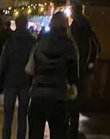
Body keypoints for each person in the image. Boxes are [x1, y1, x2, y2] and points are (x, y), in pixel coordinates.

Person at [28, 10, 79, 139]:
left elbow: (32, 67)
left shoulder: (41, 42)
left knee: (35, 133)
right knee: (58, 133)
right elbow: (73, 72)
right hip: (58, 97)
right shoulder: (69, 45)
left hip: (38, 95)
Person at [0, 16, 36, 139]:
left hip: (10, 80)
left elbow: (3, 62)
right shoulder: (32, 41)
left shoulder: (10, 40)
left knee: (8, 115)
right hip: (26, 81)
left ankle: (6, 137)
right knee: (22, 115)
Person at [67, 2, 100, 139]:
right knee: (75, 100)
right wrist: (90, 64)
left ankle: (71, 130)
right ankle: (72, 130)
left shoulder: (75, 27)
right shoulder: (86, 26)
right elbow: (97, 47)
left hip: (74, 70)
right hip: (82, 70)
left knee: (71, 100)